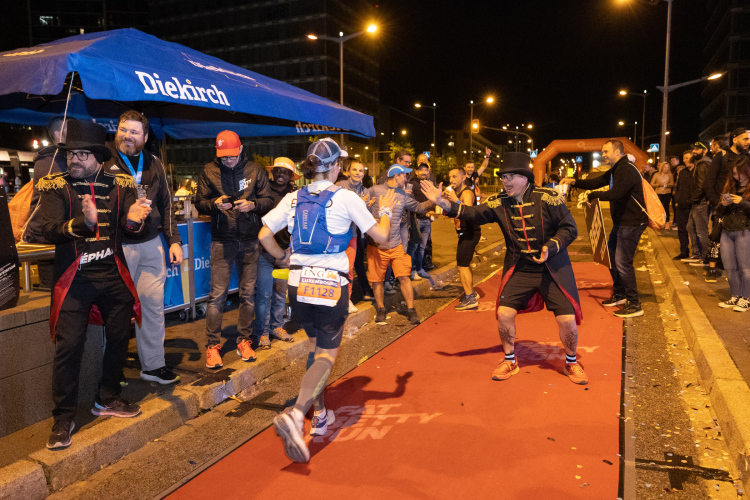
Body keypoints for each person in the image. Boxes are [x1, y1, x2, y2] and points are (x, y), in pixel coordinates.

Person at [259, 138, 396, 463]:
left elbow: (264, 234)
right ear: (335, 167)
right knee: (326, 356)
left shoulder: (293, 197)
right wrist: (387, 210)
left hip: (297, 284)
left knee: (314, 348)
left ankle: (320, 416)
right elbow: (382, 237)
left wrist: (282, 257)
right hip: (330, 285)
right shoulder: (345, 196)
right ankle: (297, 415)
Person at [422, 152, 588, 385]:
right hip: (520, 268)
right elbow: (472, 213)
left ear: (525, 177)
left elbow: (569, 229)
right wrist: (441, 202)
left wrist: (551, 246)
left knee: (567, 318)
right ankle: (510, 360)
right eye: (503, 177)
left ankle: (571, 362)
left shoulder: (548, 198)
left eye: (510, 177)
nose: (505, 182)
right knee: (503, 314)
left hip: (552, 268)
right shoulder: (499, 201)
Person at [37, 119, 151, 450]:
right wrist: (83, 222)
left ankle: (108, 397)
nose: (74, 160)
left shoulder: (120, 184)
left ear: (98, 157)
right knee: (69, 347)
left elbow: (131, 228)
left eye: (82, 154)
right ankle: (63, 417)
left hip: (113, 274)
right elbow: (48, 229)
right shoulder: (55, 185)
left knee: (119, 338)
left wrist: (133, 221)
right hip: (74, 278)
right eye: (70, 154)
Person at [103, 111, 183, 385]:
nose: (128, 136)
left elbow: (167, 204)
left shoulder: (155, 163)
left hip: (151, 245)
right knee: (115, 311)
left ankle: (153, 366)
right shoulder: (104, 161)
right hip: (117, 247)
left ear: (145, 137)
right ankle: (109, 373)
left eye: (134, 132)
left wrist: (174, 241)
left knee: (152, 307)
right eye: (123, 129)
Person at [195, 130, 274, 368]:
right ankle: (212, 346)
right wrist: (214, 204)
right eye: (224, 156)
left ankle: (244, 341)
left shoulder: (255, 170)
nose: (228, 160)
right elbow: (199, 202)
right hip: (222, 240)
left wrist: (252, 205)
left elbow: (268, 201)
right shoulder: (209, 170)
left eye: (232, 155)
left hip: (250, 240)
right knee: (217, 296)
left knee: (248, 295)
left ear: (240, 149)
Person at [561, 139, 646, 318]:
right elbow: (597, 181)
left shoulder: (626, 169)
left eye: (606, 151)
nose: (603, 155)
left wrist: (592, 195)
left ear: (617, 152)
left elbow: (616, 193)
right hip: (622, 221)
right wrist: (574, 182)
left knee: (623, 262)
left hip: (632, 222)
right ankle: (620, 295)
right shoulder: (617, 169)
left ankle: (634, 303)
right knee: (612, 258)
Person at [368, 164, 434, 325]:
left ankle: (411, 309)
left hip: (396, 244)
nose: (406, 179)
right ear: (396, 175)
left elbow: (418, 207)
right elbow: (360, 206)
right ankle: (381, 309)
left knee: (404, 276)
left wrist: (434, 200)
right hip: (376, 246)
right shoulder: (374, 190)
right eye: (404, 175)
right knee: (377, 280)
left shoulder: (402, 194)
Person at [255, 157, 298, 348]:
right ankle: (263, 333)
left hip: (285, 251)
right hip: (264, 252)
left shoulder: (295, 196)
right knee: (264, 294)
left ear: (291, 176)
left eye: (286, 172)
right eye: (278, 171)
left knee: (281, 293)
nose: (281, 175)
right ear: (272, 172)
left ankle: (277, 327)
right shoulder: (263, 192)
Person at [25, 117, 68, 288]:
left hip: (54, 233)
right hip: (45, 235)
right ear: (58, 134)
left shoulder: (60, 157)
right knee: (52, 289)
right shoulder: (50, 161)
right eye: (70, 129)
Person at [704, 128, 749, 282]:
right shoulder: (721, 156)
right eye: (745, 139)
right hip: (722, 205)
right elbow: (709, 182)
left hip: (741, 206)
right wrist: (717, 203)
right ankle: (712, 268)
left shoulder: (746, 157)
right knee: (716, 236)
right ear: (735, 139)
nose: (748, 142)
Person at [337, 157, 375, 307]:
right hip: (337, 233)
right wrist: (358, 205)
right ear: (348, 172)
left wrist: (366, 208)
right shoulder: (340, 186)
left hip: (354, 233)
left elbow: (365, 217)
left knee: (350, 267)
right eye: (354, 170)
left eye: (361, 170)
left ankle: (347, 299)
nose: (358, 173)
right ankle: (336, 298)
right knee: (337, 266)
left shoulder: (365, 191)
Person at [443, 167, 481, 310]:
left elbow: (469, 211)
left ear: (463, 177)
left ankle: (470, 298)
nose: (451, 180)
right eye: (450, 177)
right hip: (464, 232)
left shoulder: (466, 192)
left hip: (470, 232)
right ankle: (472, 292)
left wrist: (456, 201)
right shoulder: (458, 193)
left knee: (462, 265)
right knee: (465, 263)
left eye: (454, 176)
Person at [716, 157, 750, 312]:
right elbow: (718, 212)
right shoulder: (731, 187)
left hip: (744, 231)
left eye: (739, 173)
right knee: (729, 267)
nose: (737, 177)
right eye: (734, 174)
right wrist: (723, 205)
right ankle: (735, 296)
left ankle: (746, 298)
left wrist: (742, 201)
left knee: (745, 268)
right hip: (726, 231)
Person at [684, 142, 712, 267]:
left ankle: (707, 258)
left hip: (700, 202)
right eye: (694, 149)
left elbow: (702, 185)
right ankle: (697, 254)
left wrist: (694, 199)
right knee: (690, 227)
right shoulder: (700, 163)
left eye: (698, 149)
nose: (694, 151)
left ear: (705, 151)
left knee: (702, 232)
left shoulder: (703, 165)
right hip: (697, 202)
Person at [406, 160, 434, 281]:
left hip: (427, 220)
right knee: (413, 246)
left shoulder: (430, 184)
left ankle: (419, 268)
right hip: (416, 219)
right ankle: (411, 271)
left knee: (422, 247)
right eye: (421, 170)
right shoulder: (412, 184)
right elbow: (411, 203)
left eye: (426, 170)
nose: (423, 172)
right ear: (416, 172)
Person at [673, 150, 697, 260]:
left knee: (694, 229)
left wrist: (692, 200)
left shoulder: (697, 171)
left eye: (687, 158)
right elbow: (678, 188)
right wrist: (677, 200)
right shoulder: (682, 172)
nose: (684, 160)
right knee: (682, 229)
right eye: (684, 158)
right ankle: (684, 251)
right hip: (681, 205)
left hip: (693, 205)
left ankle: (697, 252)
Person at [650, 161, 674, 230]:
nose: (666, 169)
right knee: (659, 208)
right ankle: (659, 222)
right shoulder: (656, 175)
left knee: (666, 207)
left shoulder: (670, 175)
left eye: (668, 167)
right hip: (658, 192)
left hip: (667, 192)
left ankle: (667, 222)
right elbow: (651, 184)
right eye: (665, 167)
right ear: (662, 167)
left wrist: (668, 185)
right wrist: (658, 185)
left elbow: (672, 183)